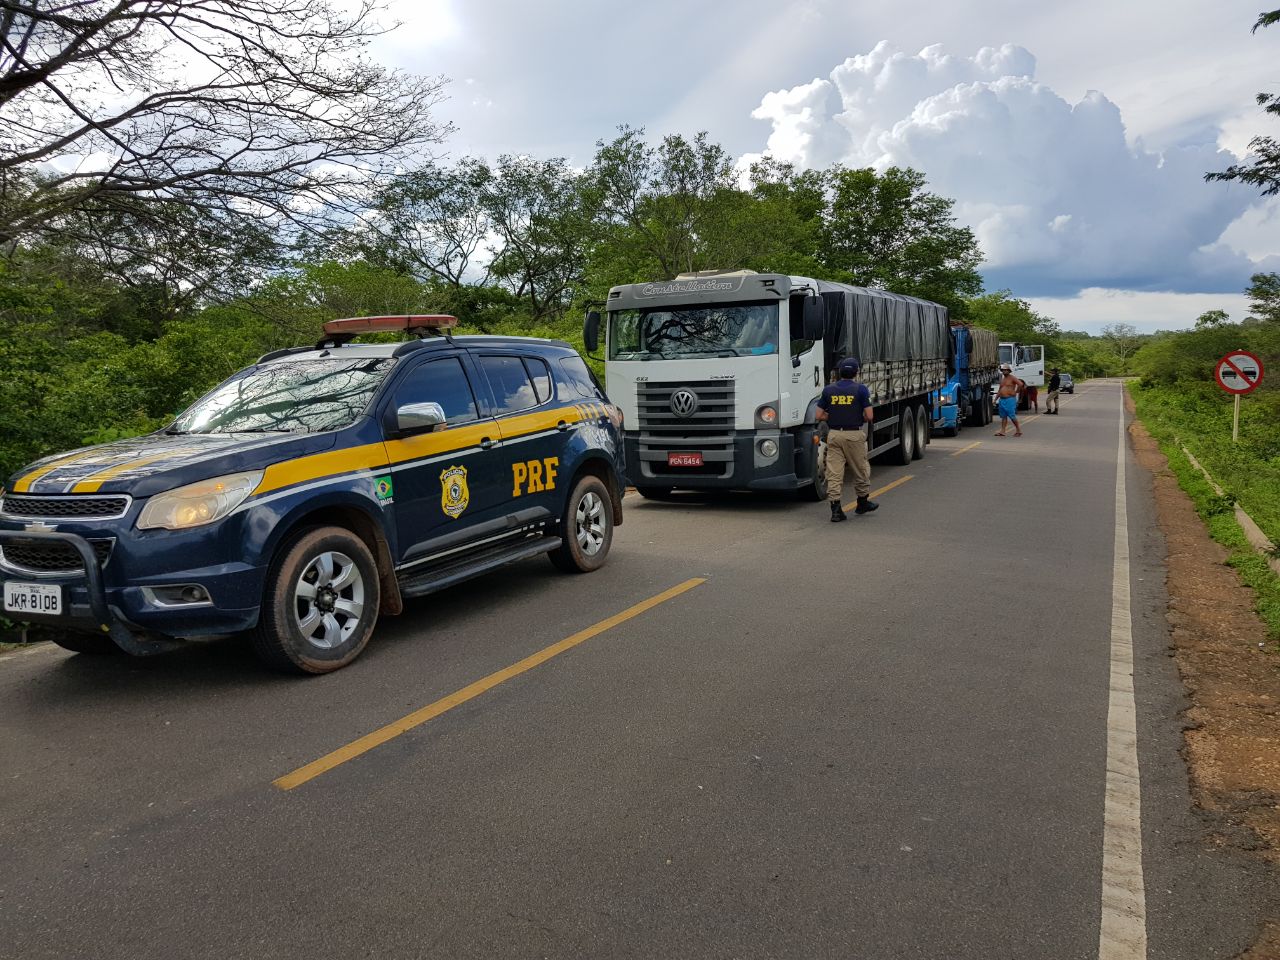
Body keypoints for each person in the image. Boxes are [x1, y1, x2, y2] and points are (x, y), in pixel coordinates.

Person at [815, 357, 878, 522]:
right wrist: (858, 416)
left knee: (834, 473)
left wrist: (833, 415)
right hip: (854, 435)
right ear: (856, 372)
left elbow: (819, 415)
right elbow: (869, 416)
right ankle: (862, 503)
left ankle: (836, 510)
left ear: (839, 372)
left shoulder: (828, 390)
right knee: (861, 469)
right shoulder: (861, 390)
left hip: (834, 435)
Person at [994, 363, 1024, 437]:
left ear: (1009, 371)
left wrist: (1016, 391)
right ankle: (1003, 431)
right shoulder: (1003, 379)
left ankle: (1018, 430)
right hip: (1002, 400)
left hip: (1009, 399)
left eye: (1006, 370)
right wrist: (995, 399)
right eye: (1003, 370)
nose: (1004, 371)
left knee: (1012, 416)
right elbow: (1000, 390)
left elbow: (1020, 384)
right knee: (1003, 416)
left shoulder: (1012, 378)